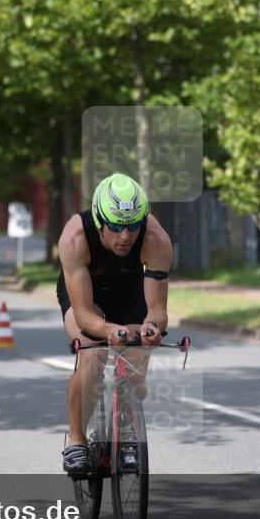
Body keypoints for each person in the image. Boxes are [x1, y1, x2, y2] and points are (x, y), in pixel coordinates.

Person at [56, 172, 172, 473]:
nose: (126, 236)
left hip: (129, 288)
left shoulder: (156, 239)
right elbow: (84, 315)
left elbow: (158, 309)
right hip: (86, 293)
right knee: (93, 355)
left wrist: (151, 328)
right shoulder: (75, 238)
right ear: (99, 220)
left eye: (133, 226)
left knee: (136, 359)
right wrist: (110, 331)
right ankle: (77, 440)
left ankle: (127, 425)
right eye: (117, 226)